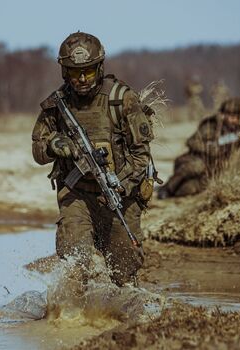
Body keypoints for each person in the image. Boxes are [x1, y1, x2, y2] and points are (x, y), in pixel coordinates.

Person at [31, 32, 154, 287]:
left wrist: (120, 184)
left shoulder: (121, 99)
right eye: (76, 73)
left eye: (88, 71)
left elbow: (141, 156)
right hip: (77, 195)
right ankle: (74, 318)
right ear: (65, 72)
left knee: (124, 274)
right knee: (75, 264)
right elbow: (38, 149)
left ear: (99, 67)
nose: (83, 78)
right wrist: (54, 145)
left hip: (120, 196)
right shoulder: (58, 104)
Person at [157, 97, 240, 199]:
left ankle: (176, 192)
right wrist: (209, 149)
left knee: (189, 189)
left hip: (211, 170)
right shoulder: (210, 126)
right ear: (223, 114)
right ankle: (167, 188)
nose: (235, 120)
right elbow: (191, 142)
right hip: (192, 161)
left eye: (237, 117)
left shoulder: (239, 131)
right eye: (232, 116)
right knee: (197, 166)